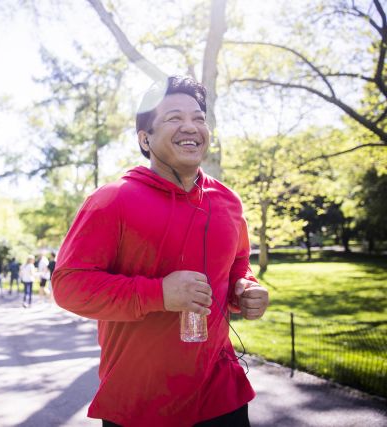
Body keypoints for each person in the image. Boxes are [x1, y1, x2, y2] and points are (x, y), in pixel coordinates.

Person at [52, 76, 269, 427]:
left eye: (199, 118)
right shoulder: (112, 200)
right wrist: (159, 293)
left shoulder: (228, 202)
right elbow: (68, 287)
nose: (191, 126)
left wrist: (245, 290)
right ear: (145, 139)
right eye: (174, 118)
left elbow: (237, 267)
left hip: (222, 395)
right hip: (140, 404)